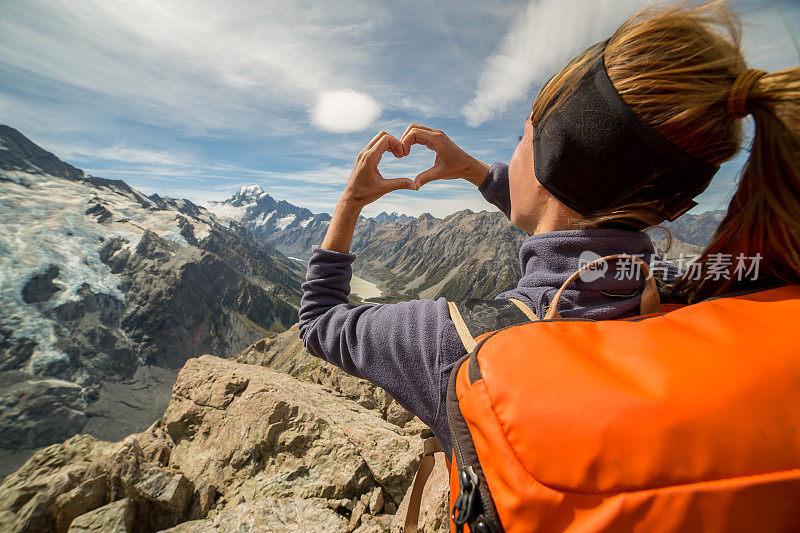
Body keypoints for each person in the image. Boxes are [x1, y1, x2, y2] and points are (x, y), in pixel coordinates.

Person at [299, 0, 799, 513]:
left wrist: (352, 201)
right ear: (674, 205)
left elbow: (319, 322)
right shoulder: (695, 291)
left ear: (553, 155)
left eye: (523, 135)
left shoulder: (452, 344)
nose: (512, 151)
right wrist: (477, 172)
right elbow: (574, 207)